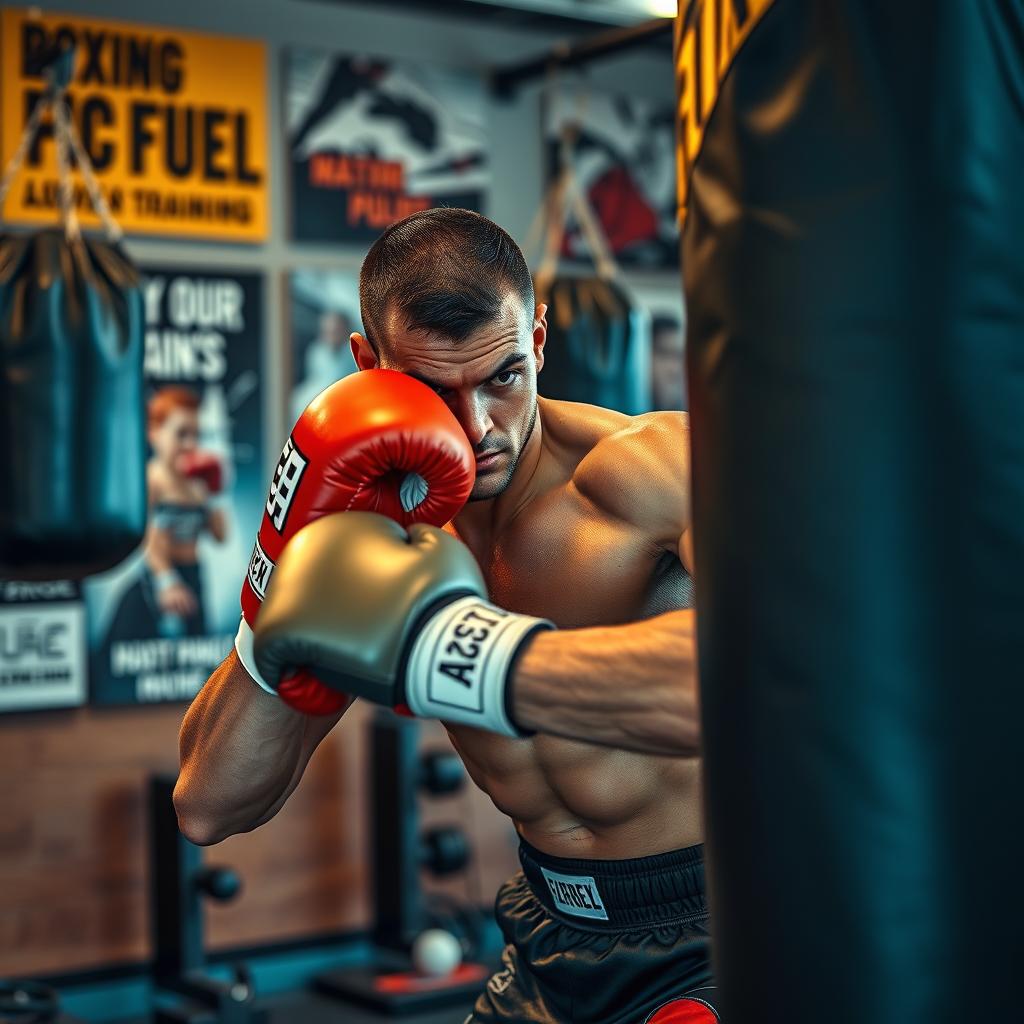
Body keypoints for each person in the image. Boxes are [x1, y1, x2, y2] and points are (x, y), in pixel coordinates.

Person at [174, 210, 711, 1023]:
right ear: (366, 364)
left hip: (719, 929)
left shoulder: (656, 471)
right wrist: (281, 566)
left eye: (502, 377)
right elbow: (210, 805)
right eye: (431, 390)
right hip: (548, 938)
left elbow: (776, 676)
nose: (476, 428)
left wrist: (455, 653)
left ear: (535, 339)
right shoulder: (381, 523)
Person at [105, 387, 228, 644]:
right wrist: (166, 579)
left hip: (193, 575)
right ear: (154, 433)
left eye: (196, 434)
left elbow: (220, 537)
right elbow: (147, 535)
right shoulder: (153, 479)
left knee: (197, 649)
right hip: (157, 580)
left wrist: (215, 494)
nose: (190, 444)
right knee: (143, 646)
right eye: (181, 434)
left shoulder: (198, 482)